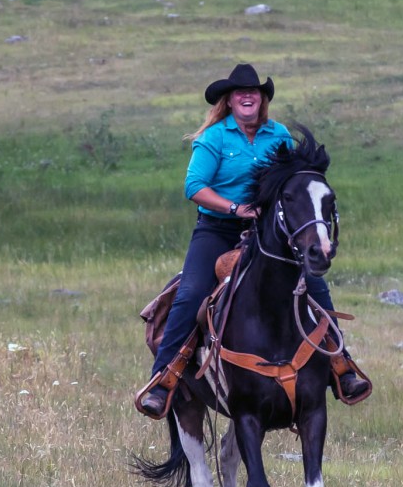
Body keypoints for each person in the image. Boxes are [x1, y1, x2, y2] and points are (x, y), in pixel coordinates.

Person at [137, 64, 371, 417]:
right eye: (240, 92)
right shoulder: (214, 138)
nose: (248, 95)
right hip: (218, 231)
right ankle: (164, 378)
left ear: (262, 100)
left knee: (316, 286)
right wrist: (236, 208)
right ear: (229, 101)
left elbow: (295, 183)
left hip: (269, 233)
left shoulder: (278, 136)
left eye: (255, 91)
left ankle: (342, 366)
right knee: (190, 294)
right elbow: (194, 187)